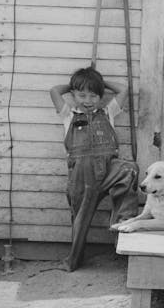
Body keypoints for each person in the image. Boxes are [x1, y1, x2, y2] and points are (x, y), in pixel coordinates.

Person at [50, 66, 140, 271]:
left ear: (101, 98)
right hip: (81, 177)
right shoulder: (67, 114)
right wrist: (76, 84)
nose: (88, 100)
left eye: (93, 96)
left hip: (107, 170)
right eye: (82, 95)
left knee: (129, 169)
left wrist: (100, 82)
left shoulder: (108, 112)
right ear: (73, 95)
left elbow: (123, 89)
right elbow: (54, 90)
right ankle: (74, 259)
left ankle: (122, 226)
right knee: (80, 218)